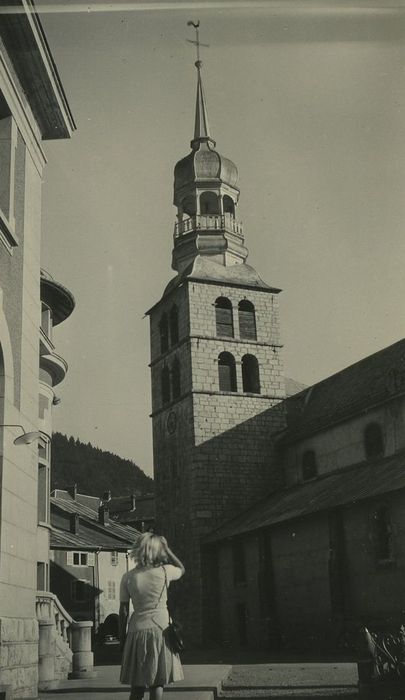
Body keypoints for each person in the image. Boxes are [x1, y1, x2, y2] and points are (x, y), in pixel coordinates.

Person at [119, 532, 185, 700]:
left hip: (136, 630)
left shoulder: (128, 577)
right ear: (158, 551)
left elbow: (124, 611)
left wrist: (122, 637)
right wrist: (168, 549)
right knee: (157, 683)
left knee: (137, 685)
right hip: (160, 630)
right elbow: (182, 569)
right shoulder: (165, 571)